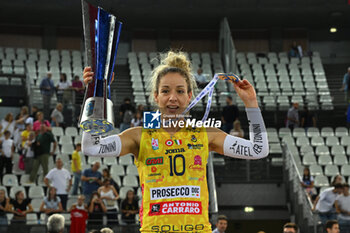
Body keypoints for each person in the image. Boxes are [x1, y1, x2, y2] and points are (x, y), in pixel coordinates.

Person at [82, 51, 269, 232]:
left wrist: (251, 104)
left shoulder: (205, 133)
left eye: (180, 91)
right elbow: (91, 147)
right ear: (156, 96)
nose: (173, 97)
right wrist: (95, 97)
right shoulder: (140, 135)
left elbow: (258, 150)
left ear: (189, 96)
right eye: (165, 91)